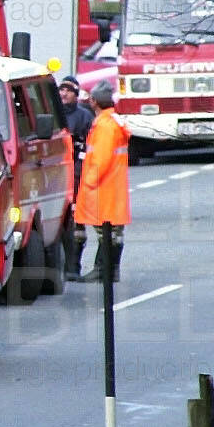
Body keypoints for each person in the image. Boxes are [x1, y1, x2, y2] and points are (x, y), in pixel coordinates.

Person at [76, 82, 131, 283]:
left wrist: (89, 182)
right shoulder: (113, 123)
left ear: (94, 101)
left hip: (103, 187)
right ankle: (111, 270)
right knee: (115, 232)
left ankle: (103, 269)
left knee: (105, 231)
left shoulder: (105, 126)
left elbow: (101, 159)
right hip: (113, 186)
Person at [58, 77, 95, 279]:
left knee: (76, 222)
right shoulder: (53, 115)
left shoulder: (84, 117)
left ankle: (73, 266)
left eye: (68, 91)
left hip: (77, 174)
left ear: (76, 94)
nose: (63, 94)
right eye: (61, 90)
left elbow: (91, 147)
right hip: (57, 173)